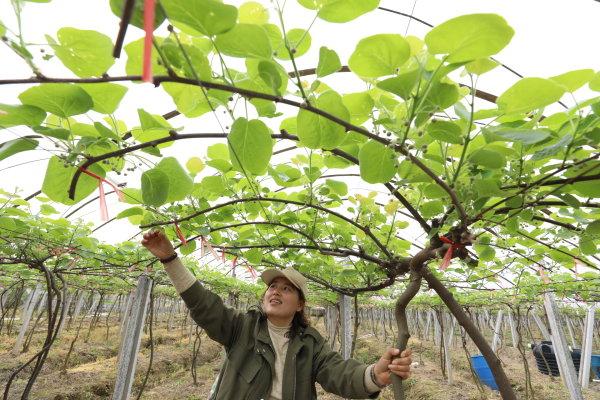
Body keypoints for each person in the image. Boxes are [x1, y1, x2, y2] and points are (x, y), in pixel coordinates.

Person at [142, 230, 412, 400]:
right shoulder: (241, 327)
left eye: (286, 289)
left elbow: (337, 373)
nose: (275, 292)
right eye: (272, 286)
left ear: (299, 305)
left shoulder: (311, 343)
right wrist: (170, 259)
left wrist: (375, 374)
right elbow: (203, 305)